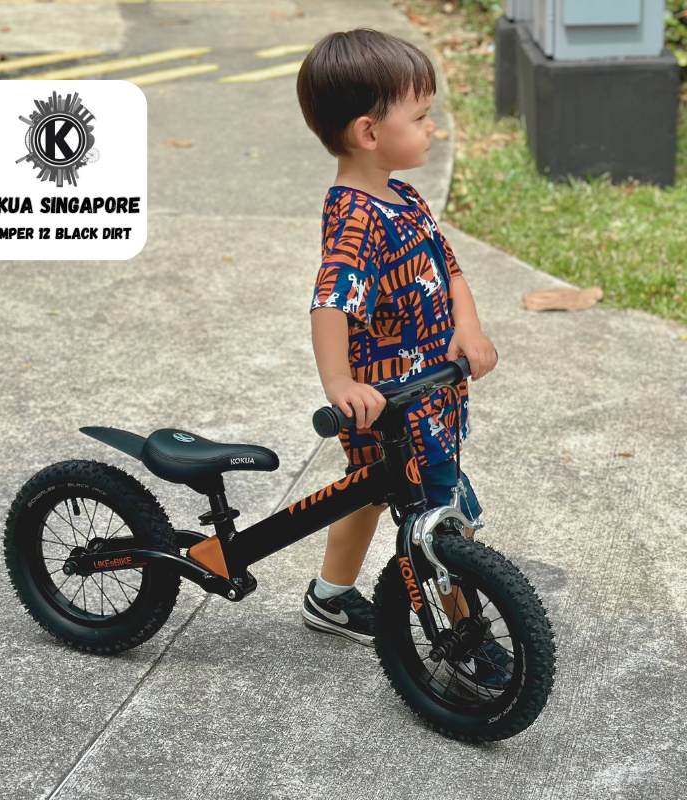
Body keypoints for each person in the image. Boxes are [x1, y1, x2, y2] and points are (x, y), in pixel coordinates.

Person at [295, 28, 507, 689]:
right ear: (368, 132)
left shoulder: (404, 197)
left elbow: (449, 268)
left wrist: (467, 329)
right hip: (388, 402)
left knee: (365, 494)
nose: (433, 129)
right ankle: (463, 635)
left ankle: (329, 595)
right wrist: (338, 382)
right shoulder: (357, 217)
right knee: (437, 520)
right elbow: (331, 301)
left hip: (429, 392)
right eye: (420, 117)